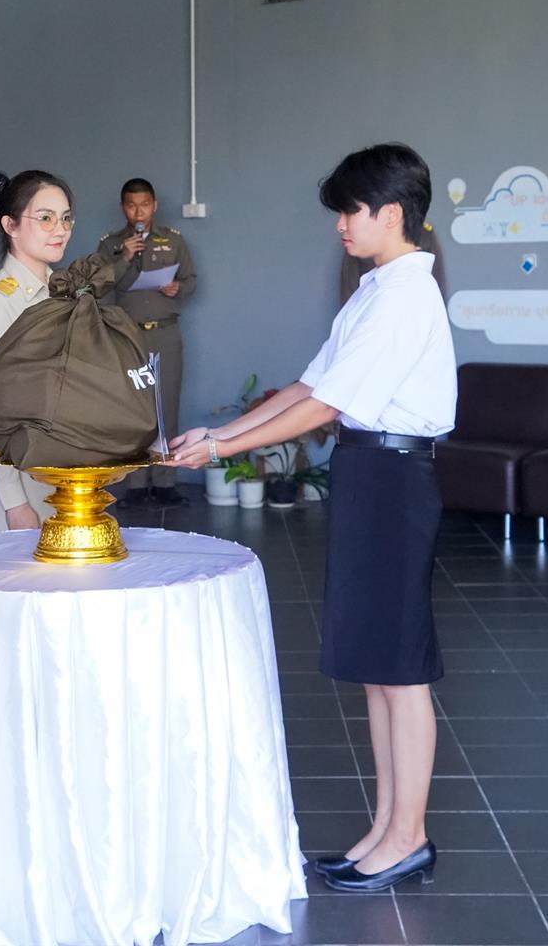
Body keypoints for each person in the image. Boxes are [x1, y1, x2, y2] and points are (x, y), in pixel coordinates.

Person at [169, 143, 456, 892]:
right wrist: (218, 434)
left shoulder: (406, 295)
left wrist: (222, 447)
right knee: (376, 668)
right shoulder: (376, 289)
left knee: (401, 671)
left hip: (394, 477)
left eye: (350, 210)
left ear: (390, 213)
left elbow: (326, 405)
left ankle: (409, 837)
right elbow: (309, 385)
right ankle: (387, 828)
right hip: (368, 471)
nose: (340, 225)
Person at [0, 170, 75, 533]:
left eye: (65, 218)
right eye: (45, 218)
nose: (60, 230)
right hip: (22, 484)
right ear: (10, 225)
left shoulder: (59, 292)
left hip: (62, 473)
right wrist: (14, 503)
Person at [94, 178, 196, 507]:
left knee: (166, 407)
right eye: (131, 205)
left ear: (155, 206)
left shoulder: (173, 240)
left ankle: (165, 482)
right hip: (128, 335)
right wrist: (124, 256)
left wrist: (178, 288)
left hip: (165, 333)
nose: (139, 212)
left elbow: (191, 280)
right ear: (123, 208)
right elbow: (99, 284)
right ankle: (135, 484)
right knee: (132, 409)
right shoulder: (111, 244)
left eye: (145, 205)